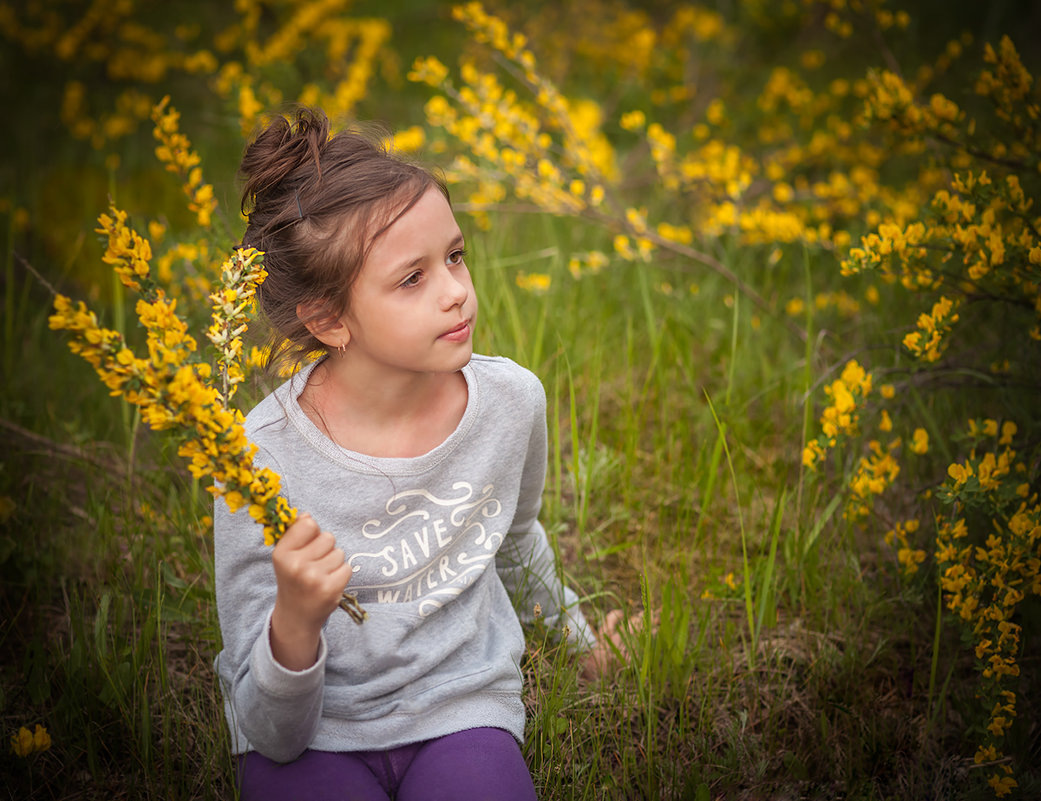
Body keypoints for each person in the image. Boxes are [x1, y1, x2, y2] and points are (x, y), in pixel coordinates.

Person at [213, 107, 621, 801]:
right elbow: (270, 727)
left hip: (459, 712)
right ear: (328, 319)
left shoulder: (509, 402)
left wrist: (579, 639)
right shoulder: (257, 455)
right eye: (412, 279)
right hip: (312, 735)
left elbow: (514, 540)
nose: (456, 291)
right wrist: (295, 622)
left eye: (455, 256)